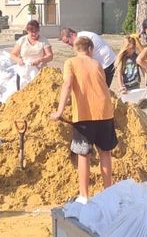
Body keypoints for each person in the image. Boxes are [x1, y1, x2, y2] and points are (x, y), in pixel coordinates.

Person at [50, 36, 117, 203]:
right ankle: (108, 192)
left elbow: (67, 84)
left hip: (84, 114)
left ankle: (84, 195)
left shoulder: (70, 63)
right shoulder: (97, 64)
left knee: (83, 154)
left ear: (75, 49)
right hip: (105, 112)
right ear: (90, 49)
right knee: (105, 152)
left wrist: (59, 111)